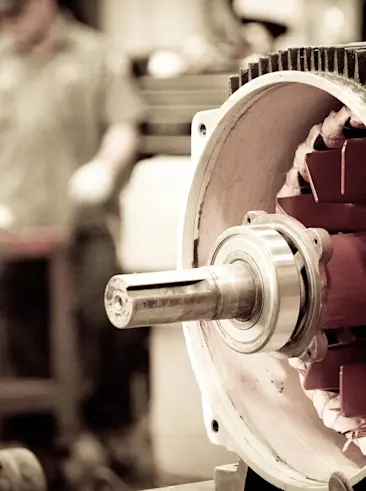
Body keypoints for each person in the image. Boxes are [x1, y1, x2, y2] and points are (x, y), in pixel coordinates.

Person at [0, 0, 149, 448]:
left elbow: (125, 124)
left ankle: (111, 434)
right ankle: (37, 443)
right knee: (20, 328)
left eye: (17, 11)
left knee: (107, 314)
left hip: (81, 226)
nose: (10, 23)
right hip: (14, 232)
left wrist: (103, 167)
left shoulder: (95, 55)